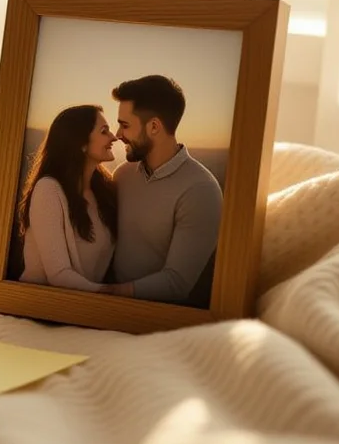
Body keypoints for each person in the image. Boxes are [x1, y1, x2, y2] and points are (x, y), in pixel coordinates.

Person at [108, 75, 223, 306]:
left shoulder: (201, 191)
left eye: (125, 125)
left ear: (153, 127)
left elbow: (176, 284)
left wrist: (104, 294)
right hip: (105, 311)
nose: (117, 134)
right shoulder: (122, 175)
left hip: (154, 322)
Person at [16, 104, 130, 294]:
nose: (113, 137)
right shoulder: (48, 190)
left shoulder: (104, 192)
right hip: (40, 308)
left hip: (84, 308)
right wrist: (113, 295)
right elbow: (59, 274)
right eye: (104, 131)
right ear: (81, 143)